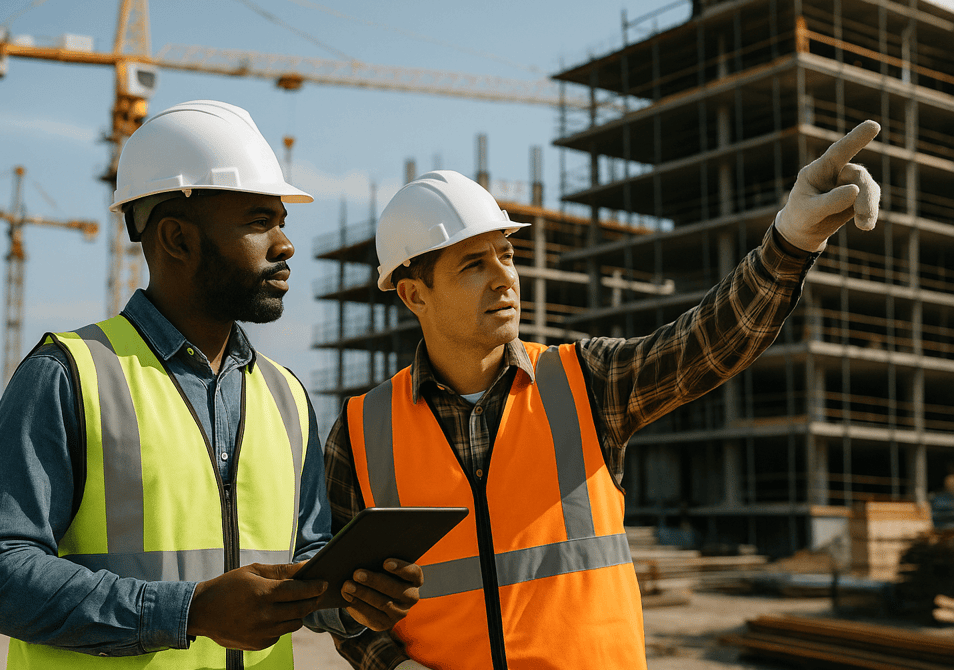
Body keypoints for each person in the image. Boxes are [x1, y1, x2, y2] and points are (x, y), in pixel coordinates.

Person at [324, 121, 882, 670]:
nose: (505, 278)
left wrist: (792, 239)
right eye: (475, 264)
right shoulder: (361, 430)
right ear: (414, 294)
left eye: (507, 255)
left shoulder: (583, 381)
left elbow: (704, 345)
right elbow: (343, 603)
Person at [0, 100, 423, 669]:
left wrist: (349, 598)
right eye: (258, 222)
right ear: (177, 239)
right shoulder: (69, 375)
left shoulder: (287, 396)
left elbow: (303, 559)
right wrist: (187, 612)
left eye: (281, 221)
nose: (285, 245)